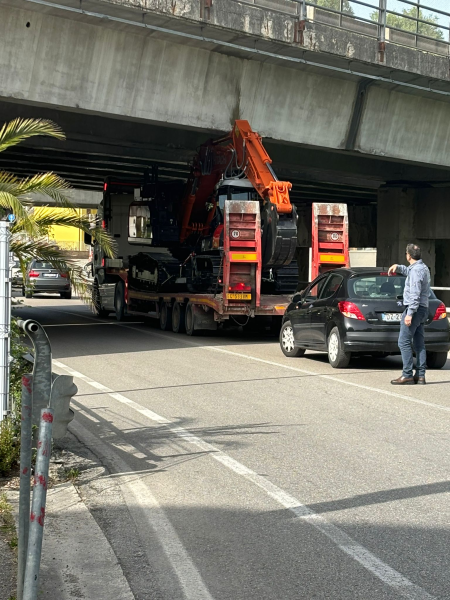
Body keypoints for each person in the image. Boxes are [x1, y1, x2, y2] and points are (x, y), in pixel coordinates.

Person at [388, 244, 431, 385]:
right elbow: (410, 272)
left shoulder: (416, 271)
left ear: (409, 255)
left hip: (415, 309)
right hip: (423, 309)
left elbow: (415, 293)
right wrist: (398, 267)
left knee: (403, 341)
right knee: (419, 343)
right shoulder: (422, 268)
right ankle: (420, 375)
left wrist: (410, 313)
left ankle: (407, 374)